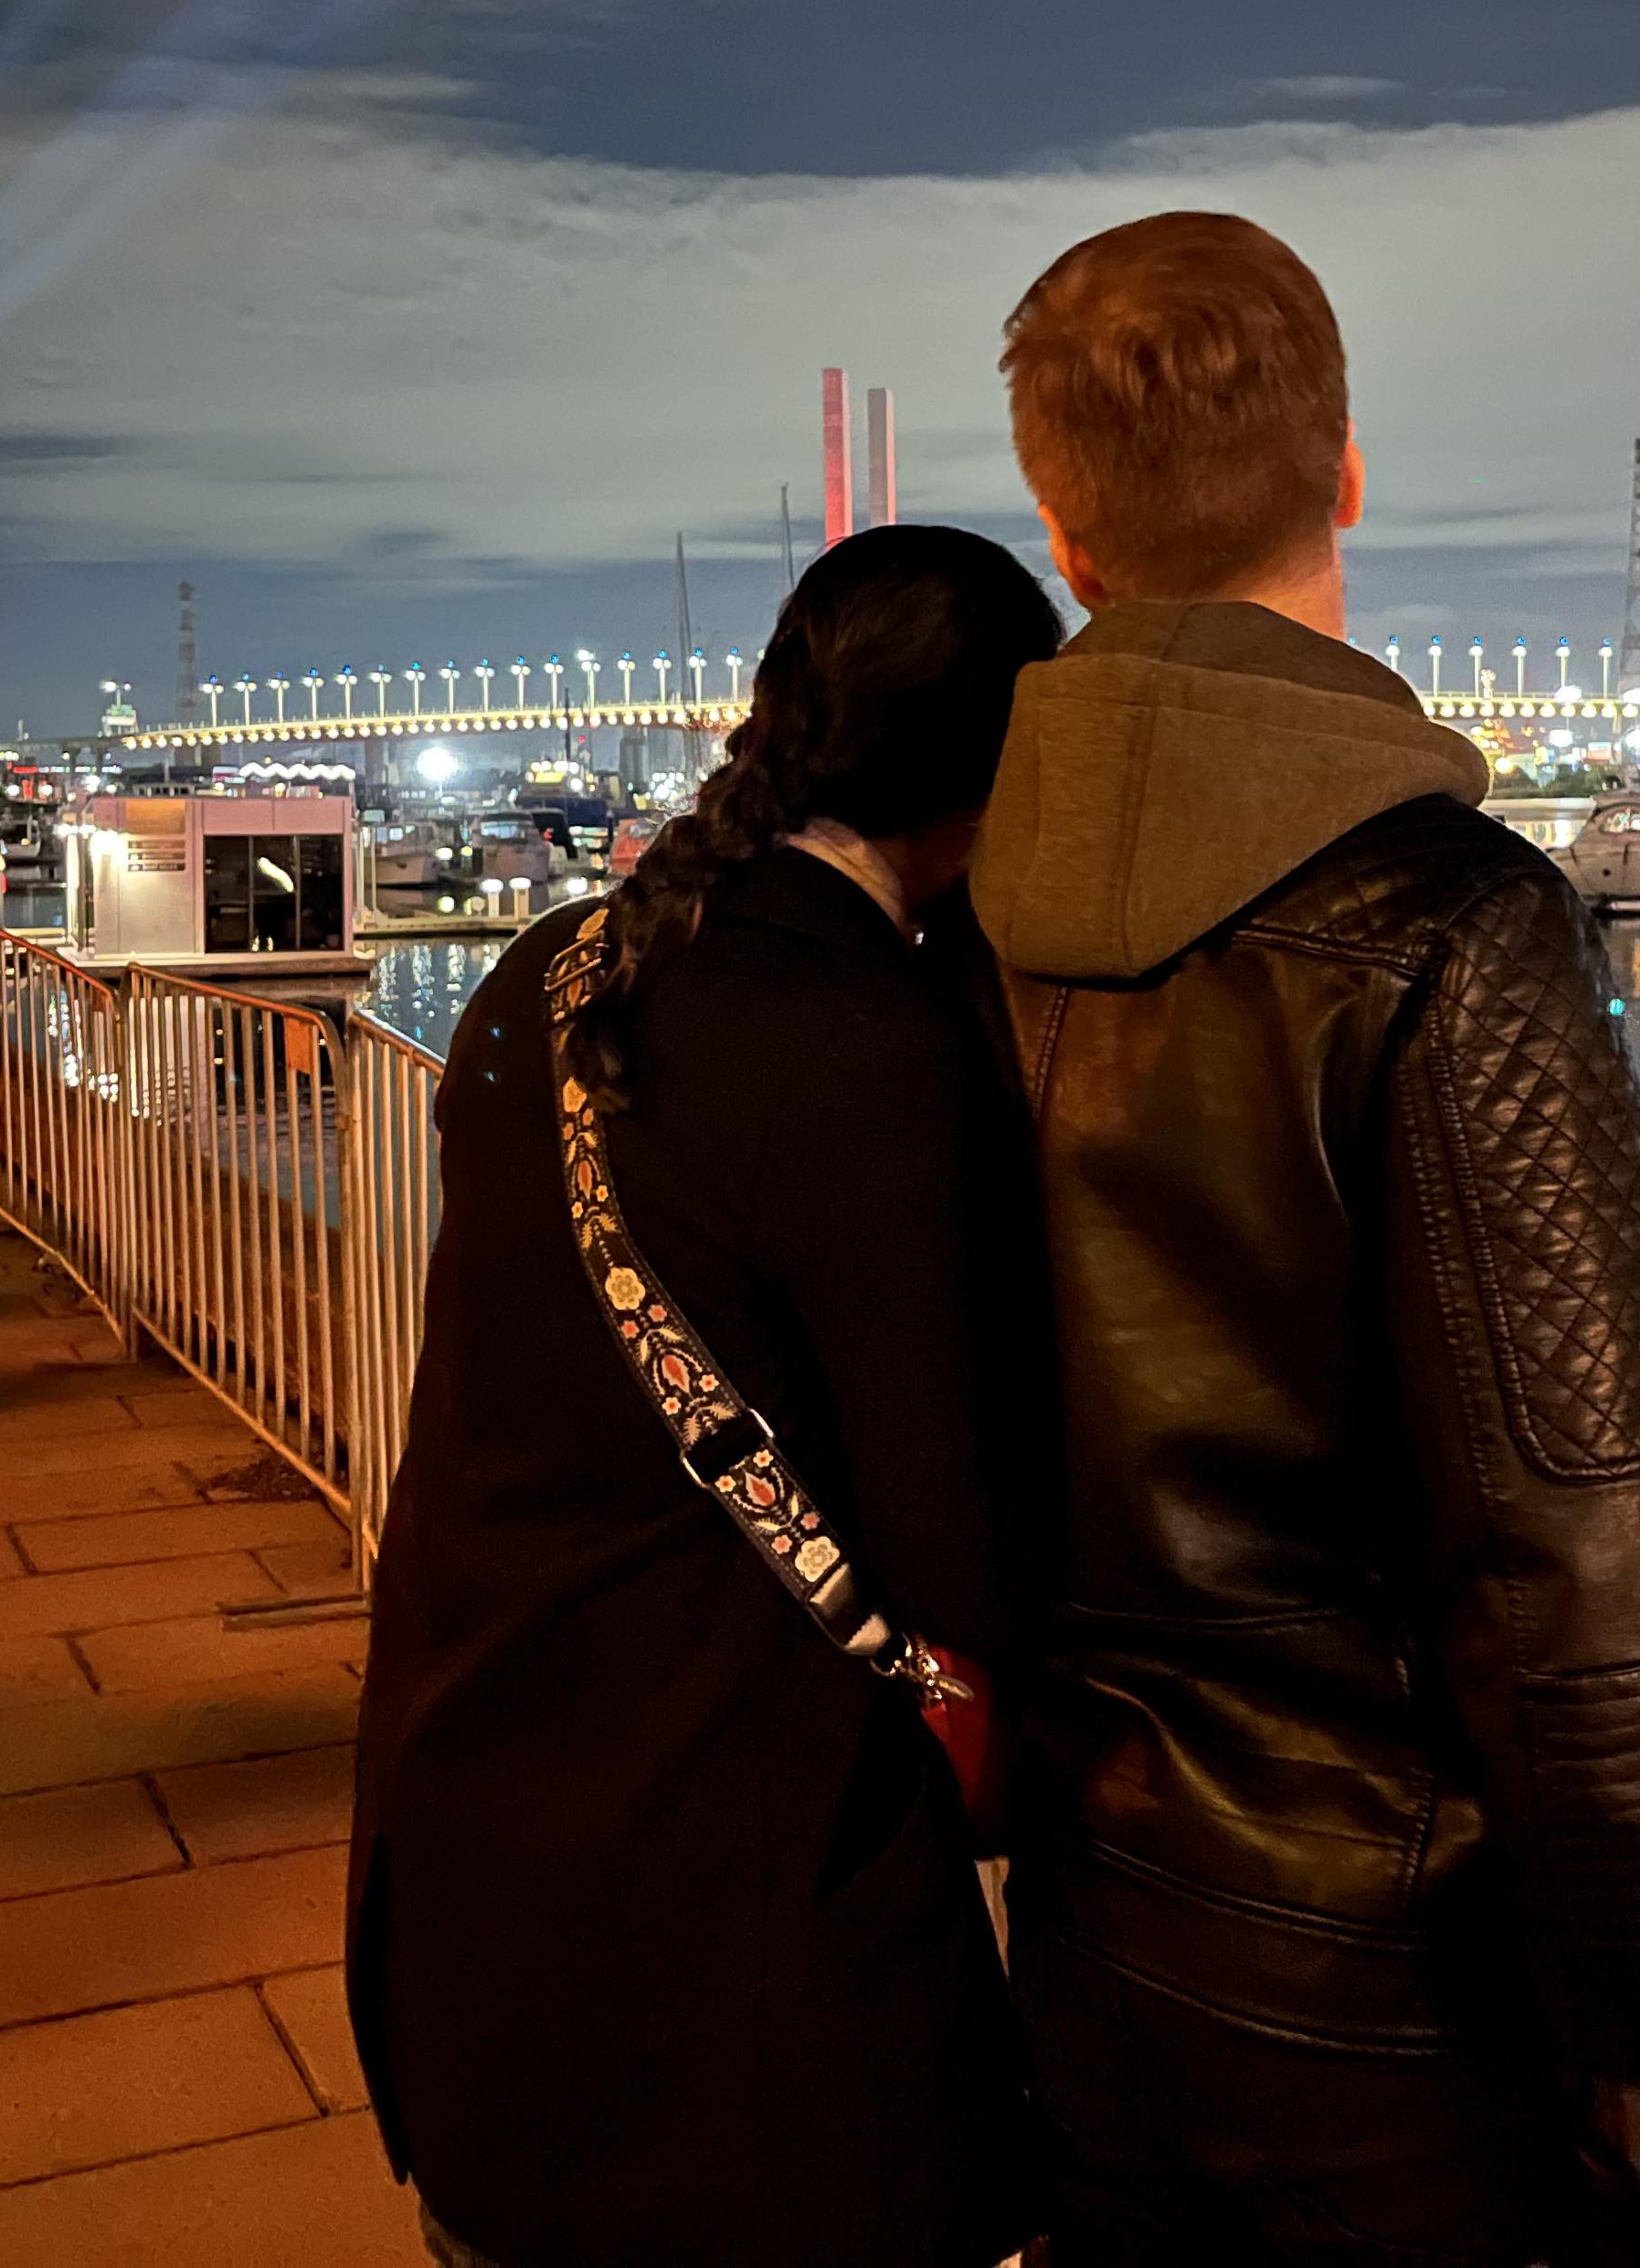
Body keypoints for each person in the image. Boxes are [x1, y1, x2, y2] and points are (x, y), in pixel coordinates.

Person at [969, 212, 1640, 2263]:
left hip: (1081, 1922)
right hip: (1400, 1998)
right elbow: (1588, 1585)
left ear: (1063, 529)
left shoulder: (946, 913)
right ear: (1349, 480)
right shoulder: (1455, 931)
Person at [349, 525, 1060, 2268]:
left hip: (469, 1840)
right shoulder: (865, 1045)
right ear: (997, 767)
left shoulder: (552, 973)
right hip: (728, 1966)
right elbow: (958, 1544)